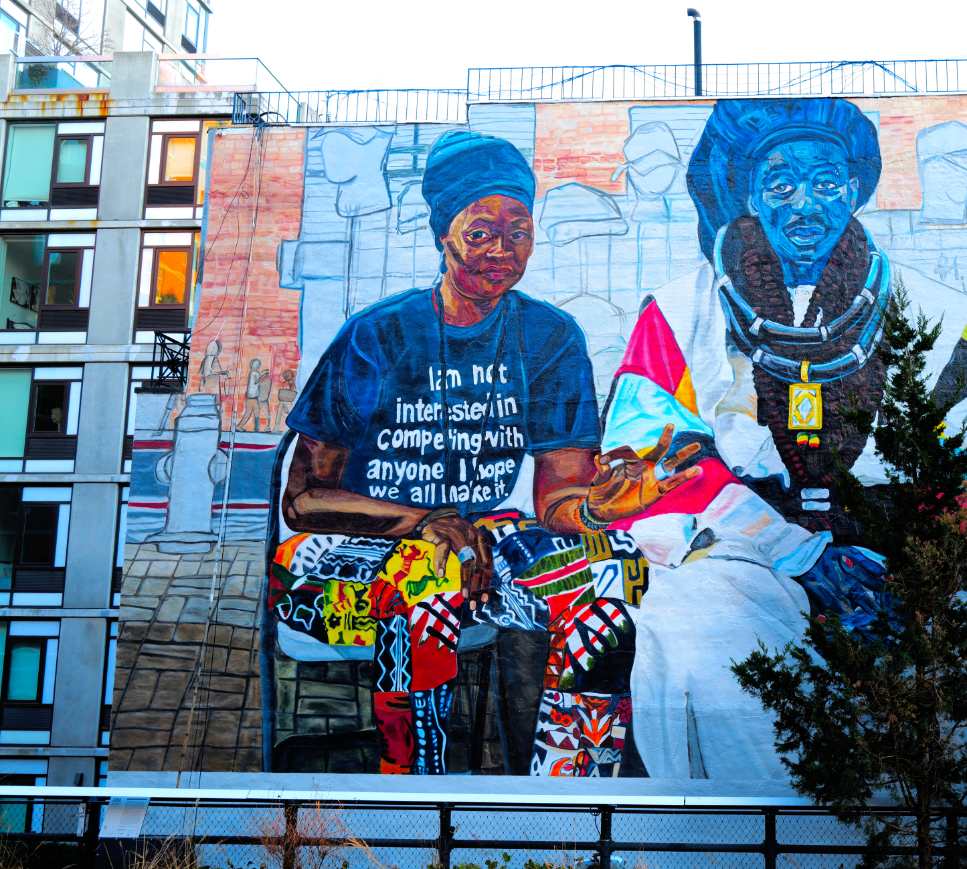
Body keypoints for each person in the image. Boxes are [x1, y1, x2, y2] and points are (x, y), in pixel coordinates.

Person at [599, 99, 967, 779]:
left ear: (855, 190)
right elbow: (645, 467)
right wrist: (794, 553)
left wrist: (918, 576)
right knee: (691, 613)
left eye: (826, 184)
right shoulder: (679, 312)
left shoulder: (951, 319)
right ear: (749, 194)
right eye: (780, 185)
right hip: (749, 561)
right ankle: (748, 854)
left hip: (907, 570)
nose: (804, 206)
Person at [276, 131, 698, 776]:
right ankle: (418, 801)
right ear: (442, 232)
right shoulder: (378, 335)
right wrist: (421, 521)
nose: (503, 251)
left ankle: (569, 803)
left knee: (605, 583)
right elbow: (305, 501)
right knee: (427, 575)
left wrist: (598, 509)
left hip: (481, 542)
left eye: (520, 231)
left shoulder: (549, 336)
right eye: (481, 232)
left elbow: (557, 500)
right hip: (344, 552)